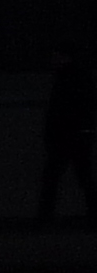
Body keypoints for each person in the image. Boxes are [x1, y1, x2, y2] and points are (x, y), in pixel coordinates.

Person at [44, 50, 96, 224]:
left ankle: (45, 217)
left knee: (53, 177)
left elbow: (59, 110)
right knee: (84, 177)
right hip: (76, 133)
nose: (53, 59)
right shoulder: (79, 77)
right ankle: (92, 214)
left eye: (56, 56)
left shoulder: (66, 79)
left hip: (67, 134)